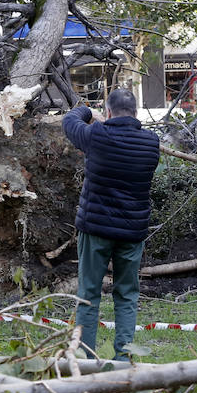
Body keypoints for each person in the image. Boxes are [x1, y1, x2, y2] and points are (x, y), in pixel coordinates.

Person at [62, 88, 160, 363]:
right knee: (127, 295)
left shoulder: (97, 135)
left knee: (89, 295)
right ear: (137, 113)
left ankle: (85, 360)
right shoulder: (151, 142)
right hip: (132, 232)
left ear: (107, 112)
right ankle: (123, 361)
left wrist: (87, 111)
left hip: (95, 230)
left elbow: (70, 121)